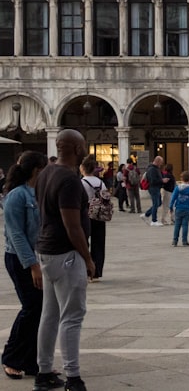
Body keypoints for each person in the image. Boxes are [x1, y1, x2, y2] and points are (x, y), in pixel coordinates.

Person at [35, 129, 94, 391]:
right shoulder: (70, 180)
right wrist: (88, 258)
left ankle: (44, 372)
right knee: (72, 316)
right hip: (66, 253)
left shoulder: (46, 172)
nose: (86, 148)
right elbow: (72, 226)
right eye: (83, 145)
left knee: (49, 314)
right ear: (77, 149)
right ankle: (73, 377)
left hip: (46, 251)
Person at [2, 151, 47, 380]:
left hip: (34, 257)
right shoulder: (16, 196)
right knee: (31, 307)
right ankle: (11, 357)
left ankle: (30, 362)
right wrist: (32, 265)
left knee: (37, 309)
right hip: (19, 258)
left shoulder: (35, 193)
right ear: (36, 170)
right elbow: (16, 234)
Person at [79, 155, 106, 282]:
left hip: (86, 214)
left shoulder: (82, 183)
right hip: (99, 215)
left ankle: (86, 269)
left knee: (84, 242)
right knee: (99, 243)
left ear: (83, 168)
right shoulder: (101, 182)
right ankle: (97, 271)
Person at [168, 171, 189, 247]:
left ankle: (175, 240)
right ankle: (184, 240)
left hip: (178, 208)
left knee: (177, 225)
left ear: (182, 178)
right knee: (185, 225)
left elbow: (173, 198)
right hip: (187, 209)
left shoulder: (178, 188)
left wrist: (170, 207)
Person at [140, 156, 164, 226]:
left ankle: (146, 214)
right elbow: (153, 180)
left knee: (158, 203)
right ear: (157, 162)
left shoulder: (155, 168)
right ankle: (154, 220)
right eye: (160, 163)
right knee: (155, 203)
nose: (161, 164)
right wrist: (162, 181)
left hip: (157, 188)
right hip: (153, 188)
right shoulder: (152, 169)